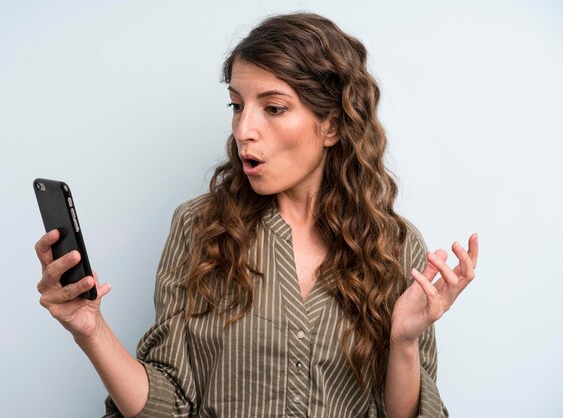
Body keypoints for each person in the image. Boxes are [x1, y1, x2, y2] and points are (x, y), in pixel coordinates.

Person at [35, 12, 478, 418]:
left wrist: (402, 342)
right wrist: (89, 330)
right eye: (237, 105)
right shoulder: (200, 228)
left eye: (274, 108)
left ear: (333, 125)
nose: (244, 129)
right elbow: (167, 404)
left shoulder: (394, 247)